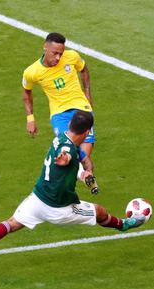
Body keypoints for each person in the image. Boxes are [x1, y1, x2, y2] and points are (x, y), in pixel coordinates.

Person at [0, 111, 146, 268]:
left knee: (11, 224)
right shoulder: (67, 150)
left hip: (37, 199)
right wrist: (66, 159)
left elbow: (74, 154)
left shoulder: (62, 138)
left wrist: (84, 172)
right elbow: (67, 155)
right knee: (99, 211)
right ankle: (126, 224)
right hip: (59, 208)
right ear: (88, 131)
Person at [22, 32, 98, 192]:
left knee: (83, 152)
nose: (58, 58)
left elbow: (83, 69)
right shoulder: (32, 72)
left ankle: (87, 174)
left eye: (60, 54)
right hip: (59, 115)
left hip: (82, 109)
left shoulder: (72, 56)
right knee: (71, 148)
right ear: (45, 47)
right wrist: (30, 118)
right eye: (54, 53)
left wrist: (87, 93)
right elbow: (26, 92)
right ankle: (84, 176)